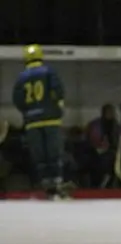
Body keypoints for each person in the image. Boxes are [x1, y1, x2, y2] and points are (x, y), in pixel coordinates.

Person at [12, 44, 67, 200]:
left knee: (40, 157)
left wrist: (28, 112)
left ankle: (46, 188)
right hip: (51, 120)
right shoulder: (49, 71)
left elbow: (17, 100)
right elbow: (59, 91)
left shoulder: (21, 77)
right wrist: (57, 108)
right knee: (54, 155)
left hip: (32, 122)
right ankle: (57, 186)